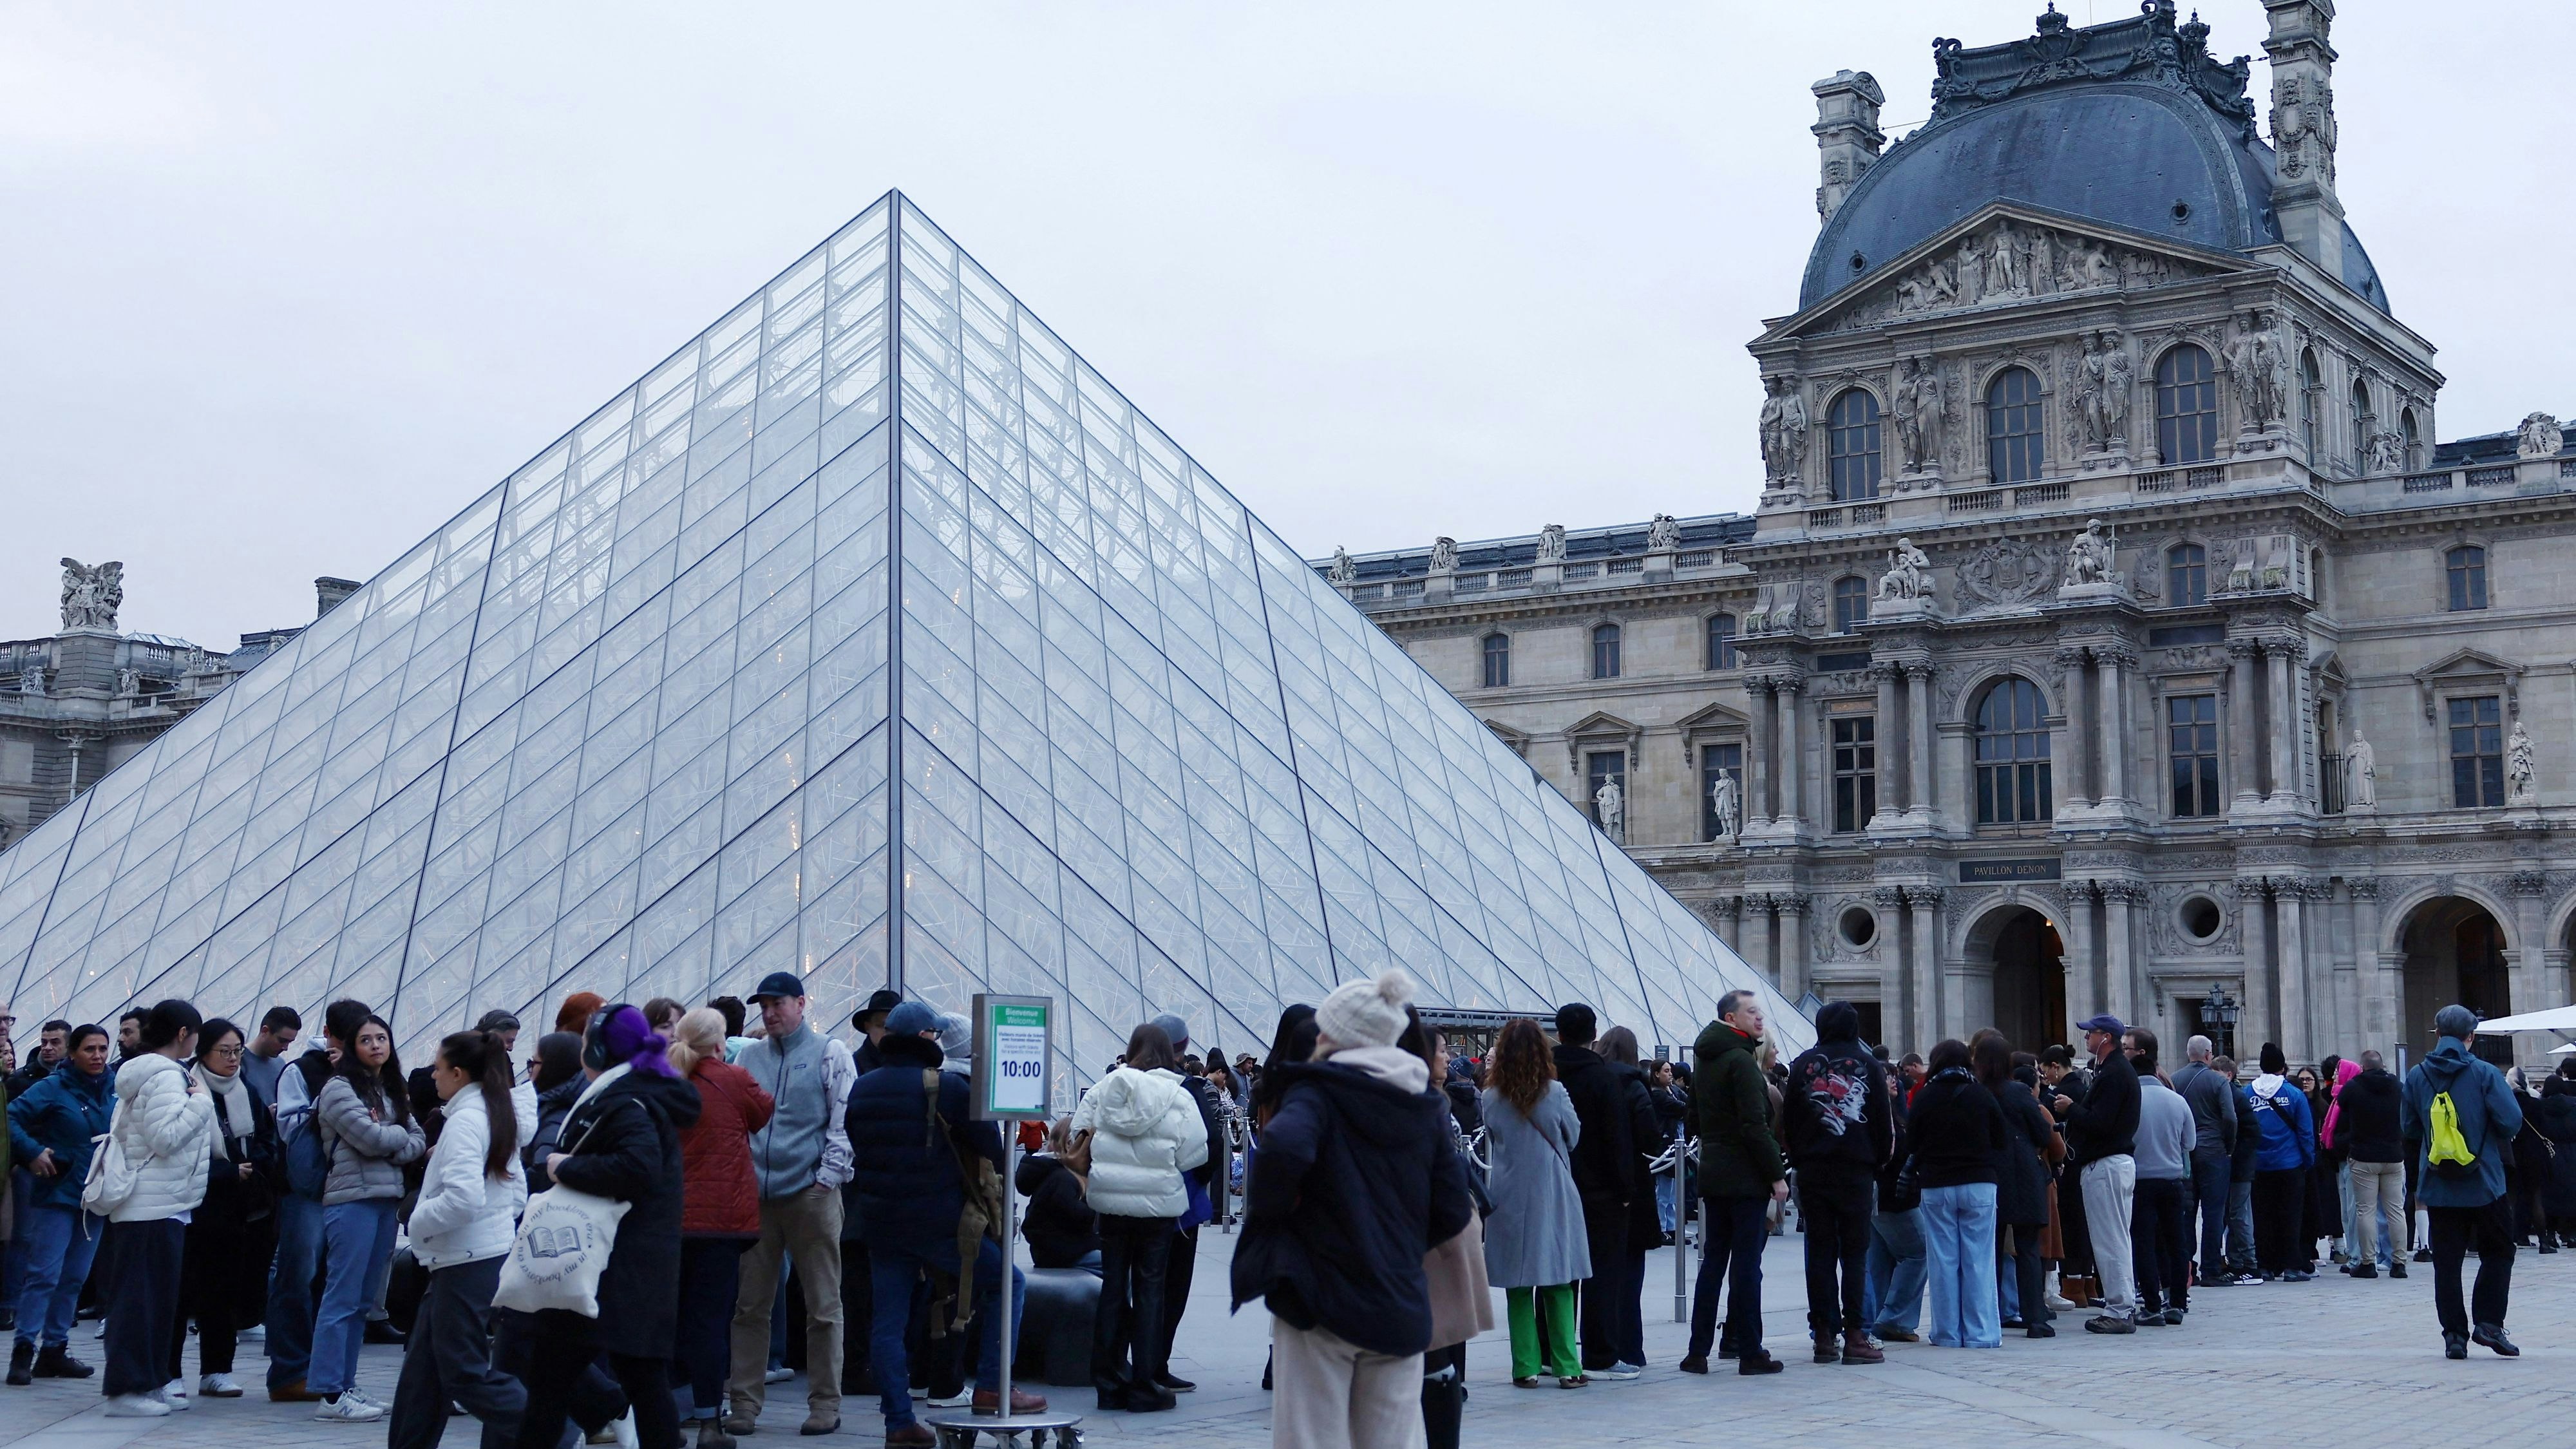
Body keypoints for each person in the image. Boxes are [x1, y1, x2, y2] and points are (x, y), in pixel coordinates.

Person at [1232, 969, 1470, 1449]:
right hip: (1398, 1299)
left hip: (1322, 1304)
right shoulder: (1424, 1104)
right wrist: (1401, 1244)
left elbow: (1281, 1148)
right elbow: (1452, 1208)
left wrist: (1287, 1227)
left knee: (1311, 1439)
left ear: (1335, 1034)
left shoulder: (1319, 1093)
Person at [843, 1001, 1043, 1446]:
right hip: (940, 1223)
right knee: (1007, 1284)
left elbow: (857, 1144)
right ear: (927, 1038)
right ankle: (993, 1385)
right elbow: (991, 1147)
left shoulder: (863, 1087)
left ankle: (899, 1422)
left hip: (880, 1221)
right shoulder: (946, 1087)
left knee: (887, 1324)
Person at [514, 1005, 704, 1449]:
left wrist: (565, 1167)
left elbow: (637, 1168)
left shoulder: (624, 1099)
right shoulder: (643, 1092)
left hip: (607, 1263)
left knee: (551, 1380)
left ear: (599, 1048)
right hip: (631, 1263)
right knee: (635, 1376)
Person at [721, 972, 855, 1438]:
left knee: (823, 1305)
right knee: (750, 1306)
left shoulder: (829, 1053)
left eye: (778, 1003)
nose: (770, 1012)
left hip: (809, 1195)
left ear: (802, 1003)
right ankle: (744, 1403)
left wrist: (826, 1179)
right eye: (764, 1005)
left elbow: (843, 1119)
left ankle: (824, 1403)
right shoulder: (747, 1057)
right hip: (757, 1195)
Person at [386, 1030, 527, 1449]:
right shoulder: (493, 1111)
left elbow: (465, 1199)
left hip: (464, 1261)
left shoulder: (467, 1120)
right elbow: (515, 1192)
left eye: (438, 1067)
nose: (433, 1074)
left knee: (464, 1373)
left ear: (459, 1073)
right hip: (467, 1257)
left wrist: (419, 1217)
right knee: (422, 1380)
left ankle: (550, 1427)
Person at [1067, 1021, 1208, 1413]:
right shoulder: (1178, 1095)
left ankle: (1109, 1383)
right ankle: (1146, 1383)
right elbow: (1196, 1153)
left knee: (1114, 1289)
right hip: (1158, 1209)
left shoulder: (1102, 1089)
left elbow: (1077, 1136)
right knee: (1150, 1291)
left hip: (1110, 1205)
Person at [95, 999, 215, 1418]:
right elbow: (164, 1138)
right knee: (141, 1301)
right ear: (183, 1034)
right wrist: (201, 1105)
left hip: (156, 1204)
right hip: (153, 1205)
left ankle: (148, 1381)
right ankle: (128, 1389)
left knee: (153, 1301)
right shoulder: (166, 1077)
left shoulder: (149, 1073)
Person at [308, 1011, 426, 1420]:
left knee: (361, 1302)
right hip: (351, 1201)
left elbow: (418, 1138)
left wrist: (387, 1139)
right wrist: (394, 1140)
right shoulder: (339, 1089)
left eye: (382, 1038)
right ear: (352, 1048)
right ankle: (329, 1392)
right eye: (366, 1040)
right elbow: (376, 1138)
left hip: (384, 1201)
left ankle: (347, 1383)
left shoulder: (389, 1089)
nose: (376, 1045)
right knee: (341, 1297)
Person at [668, 1009, 773, 1448]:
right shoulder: (732, 1077)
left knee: (669, 1320)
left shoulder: (665, 1082)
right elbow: (763, 1111)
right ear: (718, 1043)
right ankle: (711, 1422)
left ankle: (666, 1416)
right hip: (722, 1222)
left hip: (670, 1221)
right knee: (710, 1324)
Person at [2401, 1004, 2526, 1358]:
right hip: (2485, 1181)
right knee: (2499, 1250)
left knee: (2447, 1261)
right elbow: (2511, 1121)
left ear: (2437, 1035)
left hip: (2439, 1183)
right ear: (2470, 1037)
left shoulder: (2416, 1075)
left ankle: (2454, 1335)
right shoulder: (2485, 1073)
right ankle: (2488, 1323)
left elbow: (2408, 1128)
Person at [1477, 1018, 1589, 1388]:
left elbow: (1493, 1135)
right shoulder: (1555, 1092)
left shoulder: (1490, 1097)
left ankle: (1525, 1366)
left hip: (1509, 1191)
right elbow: (1572, 1136)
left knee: (1518, 1286)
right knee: (1559, 1280)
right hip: (1552, 1190)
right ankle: (1567, 1366)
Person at [1780, 1001, 1893, 1365]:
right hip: (1856, 1170)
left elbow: (1789, 1120)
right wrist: (1875, 1160)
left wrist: (1800, 1156)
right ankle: (1857, 1334)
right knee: (1855, 1255)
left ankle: (1824, 1336)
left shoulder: (1802, 1064)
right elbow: (1881, 1121)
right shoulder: (1869, 1065)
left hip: (1813, 1170)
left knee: (1821, 1254)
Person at [1545, 1007, 1653, 1381]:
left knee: (1558, 1271)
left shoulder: (1545, 1074)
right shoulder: (1603, 1078)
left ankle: (1550, 1351)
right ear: (1593, 1033)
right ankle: (1600, 1354)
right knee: (1602, 1275)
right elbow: (1616, 1140)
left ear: (1558, 1033)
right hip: (1601, 1192)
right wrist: (1625, 1189)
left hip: (1555, 1185)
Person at [1683, 990, 1787, 1376]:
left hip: (1714, 1172)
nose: (1760, 1018)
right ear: (1731, 1019)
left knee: (1712, 1262)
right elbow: (1755, 1126)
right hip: (1745, 1175)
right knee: (1747, 1266)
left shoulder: (1705, 1059)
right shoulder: (1741, 1062)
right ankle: (1750, 1351)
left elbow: (1692, 1118)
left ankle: (1697, 1352)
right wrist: (1776, 1175)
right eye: (1752, 1012)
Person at [1400, 1014, 1488, 1449]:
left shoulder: (1432, 1099)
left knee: (1443, 1337)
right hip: (1435, 1232)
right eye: (1441, 1050)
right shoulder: (1424, 1103)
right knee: (1440, 1340)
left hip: (1433, 1229)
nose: (1448, 1057)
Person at [6, 1022, 111, 1385]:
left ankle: (54, 1349)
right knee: (43, 1275)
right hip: (58, 1192)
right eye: (89, 1050)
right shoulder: (52, 1087)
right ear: (73, 1053)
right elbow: (10, 1116)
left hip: (96, 1195)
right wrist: (33, 1152)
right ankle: (23, 1349)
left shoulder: (116, 1089)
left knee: (74, 1278)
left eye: (102, 1049)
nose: (97, 1056)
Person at [264, 1004, 359, 1403]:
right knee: (297, 1274)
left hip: (351, 1186)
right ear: (331, 1034)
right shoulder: (301, 1070)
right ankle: (289, 1371)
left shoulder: (369, 1069)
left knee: (334, 1280)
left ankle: (327, 1372)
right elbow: (291, 1129)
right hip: (310, 1188)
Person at [182, 1018, 277, 1399]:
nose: (233, 1058)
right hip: (194, 1205)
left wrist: (256, 1165)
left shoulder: (246, 1092)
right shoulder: (188, 1090)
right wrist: (225, 1171)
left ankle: (217, 1369)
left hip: (236, 1210)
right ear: (203, 1051)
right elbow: (181, 1148)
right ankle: (171, 1373)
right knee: (186, 1292)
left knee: (224, 1291)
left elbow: (267, 1140)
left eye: (238, 1050)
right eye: (225, 1051)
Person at [1141, 1012, 1226, 1396]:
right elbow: (1212, 1143)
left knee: (1136, 1284)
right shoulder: (1189, 1087)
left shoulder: (1121, 1081)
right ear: (1184, 1046)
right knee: (1173, 1285)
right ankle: (1157, 1363)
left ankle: (1129, 1362)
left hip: (1129, 1202)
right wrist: (1198, 1182)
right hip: (1179, 1203)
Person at [1908, 1039, 2004, 1349]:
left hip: (1937, 1185)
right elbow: (2002, 1139)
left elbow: (1913, 1143)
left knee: (1943, 1261)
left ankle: (1948, 1332)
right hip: (1978, 1182)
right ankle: (1982, 1333)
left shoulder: (1925, 1096)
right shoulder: (1981, 1094)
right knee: (1979, 1260)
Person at [2056, 1014, 2140, 1332]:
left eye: (2091, 1033)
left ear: (2106, 1037)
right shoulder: (2112, 1070)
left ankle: (2120, 1309)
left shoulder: (2115, 1073)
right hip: (2109, 1163)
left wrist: (2071, 1109)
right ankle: (2121, 1304)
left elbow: (2102, 1122)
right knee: (2113, 1237)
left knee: (2110, 1239)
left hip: (2107, 1164)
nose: (2086, 1039)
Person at [1982, 1035, 2060, 1339]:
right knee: (2027, 1249)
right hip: (2025, 1174)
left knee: (1990, 1250)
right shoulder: (2018, 1092)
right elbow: (2043, 1132)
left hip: (1989, 1175)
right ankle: (2035, 1318)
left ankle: (1991, 1313)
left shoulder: (1977, 1091)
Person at [2126, 1030, 2194, 1325]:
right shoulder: (2176, 1101)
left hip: (2140, 1180)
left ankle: (2151, 1304)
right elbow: (2190, 1143)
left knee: (2144, 1243)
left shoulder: (2129, 1102)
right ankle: (2177, 1303)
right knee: (2176, 1243)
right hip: (2171, 1180)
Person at [2168, 1035, 2237, 1287]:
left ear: (2189, 1053)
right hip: (2213, 1152)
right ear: (2209, 1055)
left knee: (2187, 1212)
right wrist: (2228, 1146)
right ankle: (2211, 1268)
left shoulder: (2174, 1080)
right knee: (2214, 1213)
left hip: (2185, 1153)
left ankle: (2188, 1269)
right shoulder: (2218, 1082)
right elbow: (2230, 1118)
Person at [2248, 1043, 2316, 1282]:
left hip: (2259, 1165)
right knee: (2291, 1216)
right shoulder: (2295, 1095)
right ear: (2283, 1067)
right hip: (2289, 1164)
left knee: (2262, 1217)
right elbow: (2306, 1133)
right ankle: (2291, 1266)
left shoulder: (2248, 1094)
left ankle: (2265, 1265)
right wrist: (2308, 1161)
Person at [2340, 1050, 2406, 1278]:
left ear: (2362, 1066)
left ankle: (2368, 1263)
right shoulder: (2397, 1086)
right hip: (2393, 1155)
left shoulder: (2354, 1086)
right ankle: (2399, 1262)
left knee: (2365, 1210)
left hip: (2364, 1155)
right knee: (2395, 1210)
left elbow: (2342, 1106)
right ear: (2383, 1064)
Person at [1019, 1116, 1101, 1273]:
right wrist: (1102, 1211)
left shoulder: (1054, 1174)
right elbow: (1076, 1215)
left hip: (1052, 1251)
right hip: (1062, 1253)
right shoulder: (1063, 1179)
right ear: (1071, 1144)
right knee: (1120, 1265)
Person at [522, 1032, 583, 1189]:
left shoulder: (555, 1118)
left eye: (533, 1063)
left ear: (551, 1068)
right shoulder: (567, 1103)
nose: (530, 1071)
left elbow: (542, 1173)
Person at [240, 1007, 303, 1108]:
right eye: (282, 1041)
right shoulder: (238, 1062)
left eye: (290, 1042)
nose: (286, 1048)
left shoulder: (281, 1064)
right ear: (265, 1031)